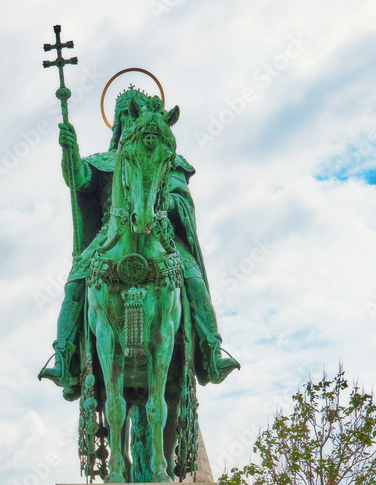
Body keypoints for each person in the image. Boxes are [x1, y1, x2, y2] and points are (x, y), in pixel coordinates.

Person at [38, 87, 239, 401]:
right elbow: (78, 179)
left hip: (159, 233)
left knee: (194, 279)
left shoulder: (164, 154)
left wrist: (167, 204)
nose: (129, 120)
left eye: (136, 112)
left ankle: (211, 350)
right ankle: (64, 357)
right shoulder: (103, 160)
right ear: (119, 122)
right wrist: (70, 152)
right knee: (75, 282)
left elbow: (180, 195)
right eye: (124, 115)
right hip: (110, 234)